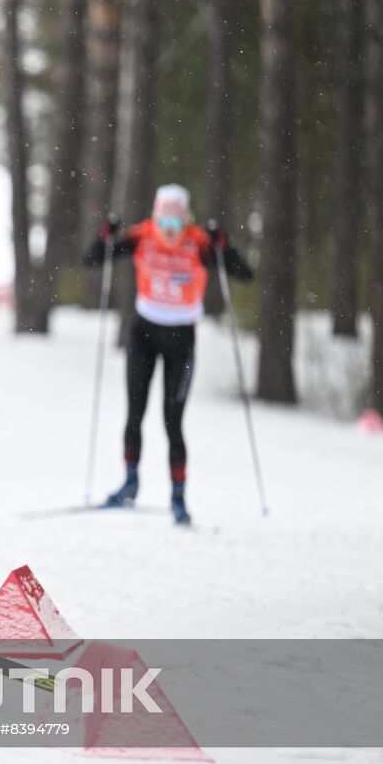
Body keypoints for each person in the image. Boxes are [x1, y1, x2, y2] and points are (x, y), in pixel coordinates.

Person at [82, 184, 253, 524]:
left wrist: (225, 246)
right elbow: (93, 259)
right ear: (154, 216)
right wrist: (105, 236)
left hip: (181, 337)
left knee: (173, 421)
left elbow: (244, 274)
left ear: (187, 220)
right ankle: (130, 482)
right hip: (144, 332)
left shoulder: (200, 242)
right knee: (134, 413)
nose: (169, 230)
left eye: (176, 222)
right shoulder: (142, 236)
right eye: (163, 221)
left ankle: (178, 497)